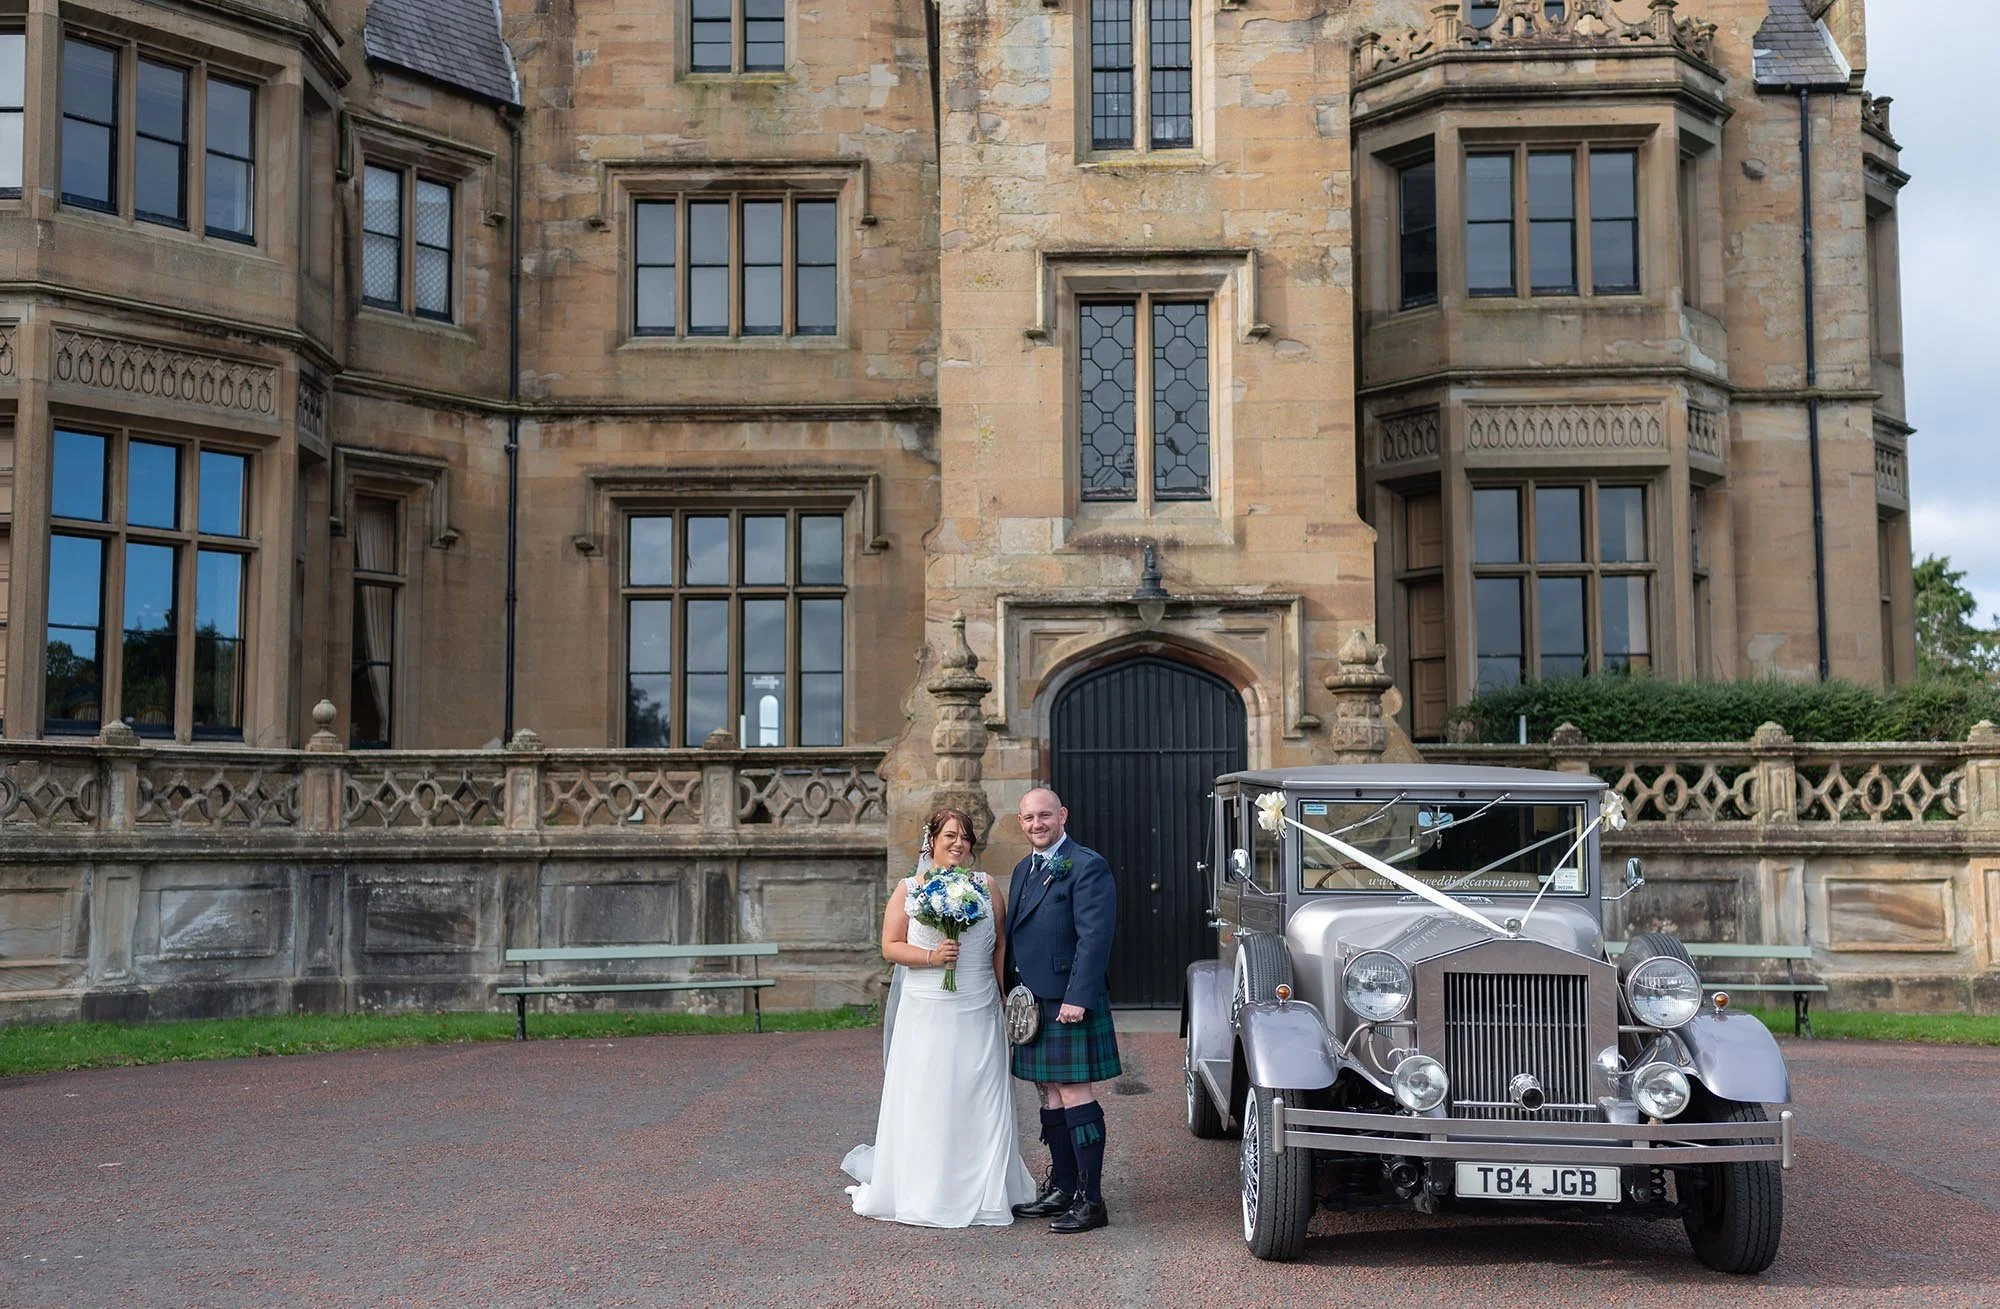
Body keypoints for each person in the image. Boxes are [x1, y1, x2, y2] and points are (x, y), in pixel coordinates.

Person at [841, 809, 1036, 1227]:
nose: (958, 843)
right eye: (950, 835)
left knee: (980, 1093)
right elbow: (890, 947)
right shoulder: (909, 889)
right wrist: (932, 956)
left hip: (979, 1004)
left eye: (966, 837)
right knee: (929, 1093)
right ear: (932, 839)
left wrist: (1004, 996)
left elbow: (1000, 944)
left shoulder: (987, 887)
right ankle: (927, 1190)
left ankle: (988, 1192)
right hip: (927, 1006)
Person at [1005, 787, 1119, 1234]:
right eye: (1030, 817)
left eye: (1045, 816)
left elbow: (1095, 938)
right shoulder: (1021, 870)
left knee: (1075, 1093)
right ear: (1021, 822)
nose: (1038, 824)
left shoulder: (1087, 865)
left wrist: (1078, 996)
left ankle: (1091, 1200)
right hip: (1033, 1000)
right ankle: (1064, 1188)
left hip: (1069, 998)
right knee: (1049, 1092)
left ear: (1062, 816)